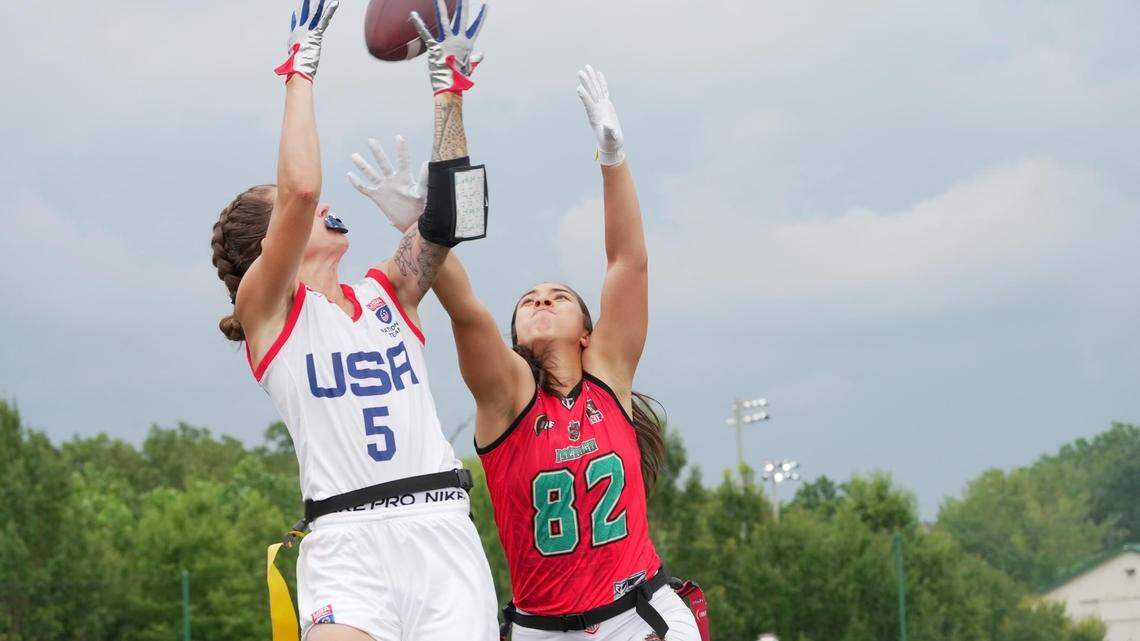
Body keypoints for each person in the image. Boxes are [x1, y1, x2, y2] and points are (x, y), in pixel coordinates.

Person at [351, 65, 701, 641]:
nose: (542, 300)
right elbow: (466, 310)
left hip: (636, 615)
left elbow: (627, 262)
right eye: (530, 299)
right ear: (514, 336)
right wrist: (420, 226)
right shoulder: (507, 397)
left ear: (588, 333)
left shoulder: (607, 378)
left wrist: (613, 159)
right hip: (541, 628)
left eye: (559, 296)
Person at [209, 1, 497, 639]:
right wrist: (300, 68)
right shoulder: (268, 314)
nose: (321, 203)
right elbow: (305, 187)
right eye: (290, 211)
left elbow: (461, 220)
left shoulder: (384, 296)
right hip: (347, 544)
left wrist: (450, 94)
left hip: (440, 534)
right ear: (271, 246)